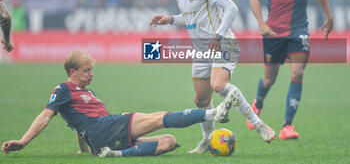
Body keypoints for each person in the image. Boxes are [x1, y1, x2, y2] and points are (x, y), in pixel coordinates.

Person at [149, 0, 275, 153]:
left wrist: (218, 34)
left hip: (222, 41)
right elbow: (191, 16)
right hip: (202, 48)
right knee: (201, 99)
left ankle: (258, 124)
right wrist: (170, 19)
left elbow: (231, 8)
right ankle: (208, 140)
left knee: (218, 85)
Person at [2, 49, 240, 157]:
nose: (92, 74)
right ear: (72, 71)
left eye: (92, 70)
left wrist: (85, 150)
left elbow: (77, 125)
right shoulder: (63, 88)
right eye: (87, 70)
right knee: (158, 118)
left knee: (169, 142)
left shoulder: (86, 92)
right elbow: (45, 116)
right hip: (104, 127)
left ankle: (115, 154)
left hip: (102, 136)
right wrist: (23, 142)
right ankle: (213, 114)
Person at [247, 0, 333, 140]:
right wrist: (261, 24)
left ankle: (287, 126)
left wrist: (329, 16)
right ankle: (257, 104)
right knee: (270, 79)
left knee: (297, 74)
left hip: (299, 31)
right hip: (274, 32)